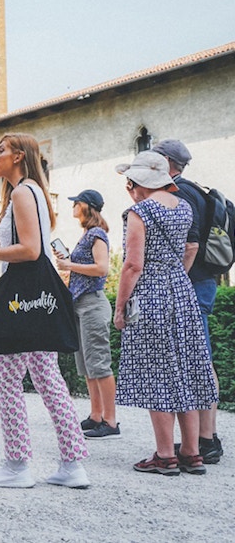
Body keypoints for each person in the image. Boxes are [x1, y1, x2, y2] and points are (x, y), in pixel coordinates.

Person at [0, 133, 90, 488]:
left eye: (0, 151)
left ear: (18, 156)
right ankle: (73, 463)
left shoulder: (20, 192)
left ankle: (17, 465)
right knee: (49, 379)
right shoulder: (33, 191)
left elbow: (30, 250)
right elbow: (17, 246)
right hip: (39, 300)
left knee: (7, 376)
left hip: (23, 301)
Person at [113, 151, 217, 476]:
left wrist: (120, 308)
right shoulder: (183, 207)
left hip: (151, 294)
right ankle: (191, 453)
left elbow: (132, 265)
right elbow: (190, 248)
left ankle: (164, 455)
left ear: (137, 182)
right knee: (184, 370)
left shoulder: (139, 211)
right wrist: (176, 274)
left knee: (158, 371)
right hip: (181, 291)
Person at [152, 139, 223, 464]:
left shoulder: (179, 193)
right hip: (204, 282)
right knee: (199, 357)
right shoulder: (196, 190)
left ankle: (205, 441)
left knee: (197, 360)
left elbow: (189, 245)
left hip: (191, 284)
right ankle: (205, 439)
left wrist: (173, 283)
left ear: (166, 161)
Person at [53, 190, 120, 440]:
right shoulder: (87, 235)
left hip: (93, 304)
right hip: (80, 304)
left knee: (99, 363)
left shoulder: (97, 234)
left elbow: (102, 268)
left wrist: (70, 265)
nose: (73, 206)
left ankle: (111, 422)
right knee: (87, 365)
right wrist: (69, 260)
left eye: (77, 203)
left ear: (86, 207)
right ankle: (95, 415)